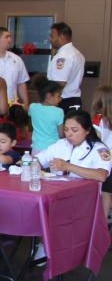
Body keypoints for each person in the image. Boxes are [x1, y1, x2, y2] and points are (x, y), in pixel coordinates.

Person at [34, 111, 112, 182]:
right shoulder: (61, 144)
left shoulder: (100, 149)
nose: (69, 134)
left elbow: (101, 175)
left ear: (87, 130)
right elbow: (38, 160)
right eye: (66, 129)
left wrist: (68, 166)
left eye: (74, 130)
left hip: (85, 194)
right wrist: (29, 163)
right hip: (58, 192)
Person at [47, 22, 85, 113]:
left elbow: (60, 83)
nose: (50, 40)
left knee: (61, 127)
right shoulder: (77, 54)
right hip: (74, 99)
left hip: (63, 101)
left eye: (52, 36)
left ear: (61, 37)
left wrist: (47, 100)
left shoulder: (63, 56)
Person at [0, 26, 29, 108]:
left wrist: (26, 104)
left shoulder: (17, 59)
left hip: (12, 106)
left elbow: (21, 83)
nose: (10, 40)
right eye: (7, 37)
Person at [90, 85, 112, 218]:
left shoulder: (97, 120)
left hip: (104, 161)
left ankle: (102, 225)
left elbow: (95, 140)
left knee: (104, 193)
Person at [28, 75, 64, 153]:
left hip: (36, 148)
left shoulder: (32, 107)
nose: (60, 99)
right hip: (53, 149)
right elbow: (61, 134)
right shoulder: (59, 111)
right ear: (49, 96)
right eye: (59, 96)